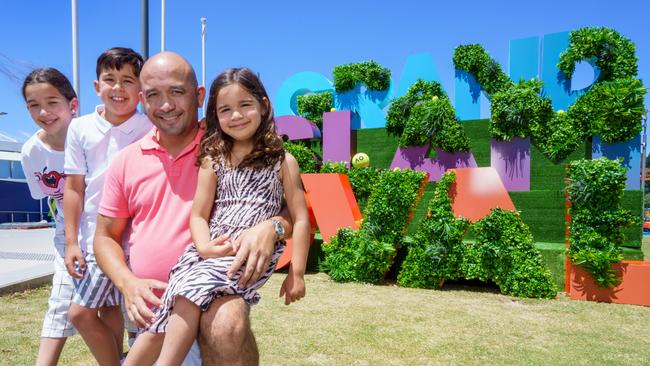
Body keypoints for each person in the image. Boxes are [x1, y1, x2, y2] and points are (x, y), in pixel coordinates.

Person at [94, 52, 292, 365]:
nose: (166, 105)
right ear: (143, 99)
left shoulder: (229, 142)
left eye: (176, 92)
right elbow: (105, 236)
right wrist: (127, 283)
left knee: (226, 324)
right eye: (154, 95)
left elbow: (290, 208)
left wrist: (272, 227)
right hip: (152, 318)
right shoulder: (126, 161)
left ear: (199, 96)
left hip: (214, 300)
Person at [63, 47, 151, 365]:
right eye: (110, 79)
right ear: (96, 86)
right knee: (87, 313)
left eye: (128, 80)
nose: (118, 88)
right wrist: (72, 241)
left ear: (141, 89)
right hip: (94, 238)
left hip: (136, 239)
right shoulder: (80, 128)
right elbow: (74, 187)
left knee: (108, 311)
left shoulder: (149, 128)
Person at [20, 68, 79, 366]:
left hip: (110, 228)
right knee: (60, 301)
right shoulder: (31, 151)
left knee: (119, 304)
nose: (44, 111)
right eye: (33, 104)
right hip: (65, 233)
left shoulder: (91, 136)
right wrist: (68, 237)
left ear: (73, 104)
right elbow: (48, 199)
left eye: (52, 102)